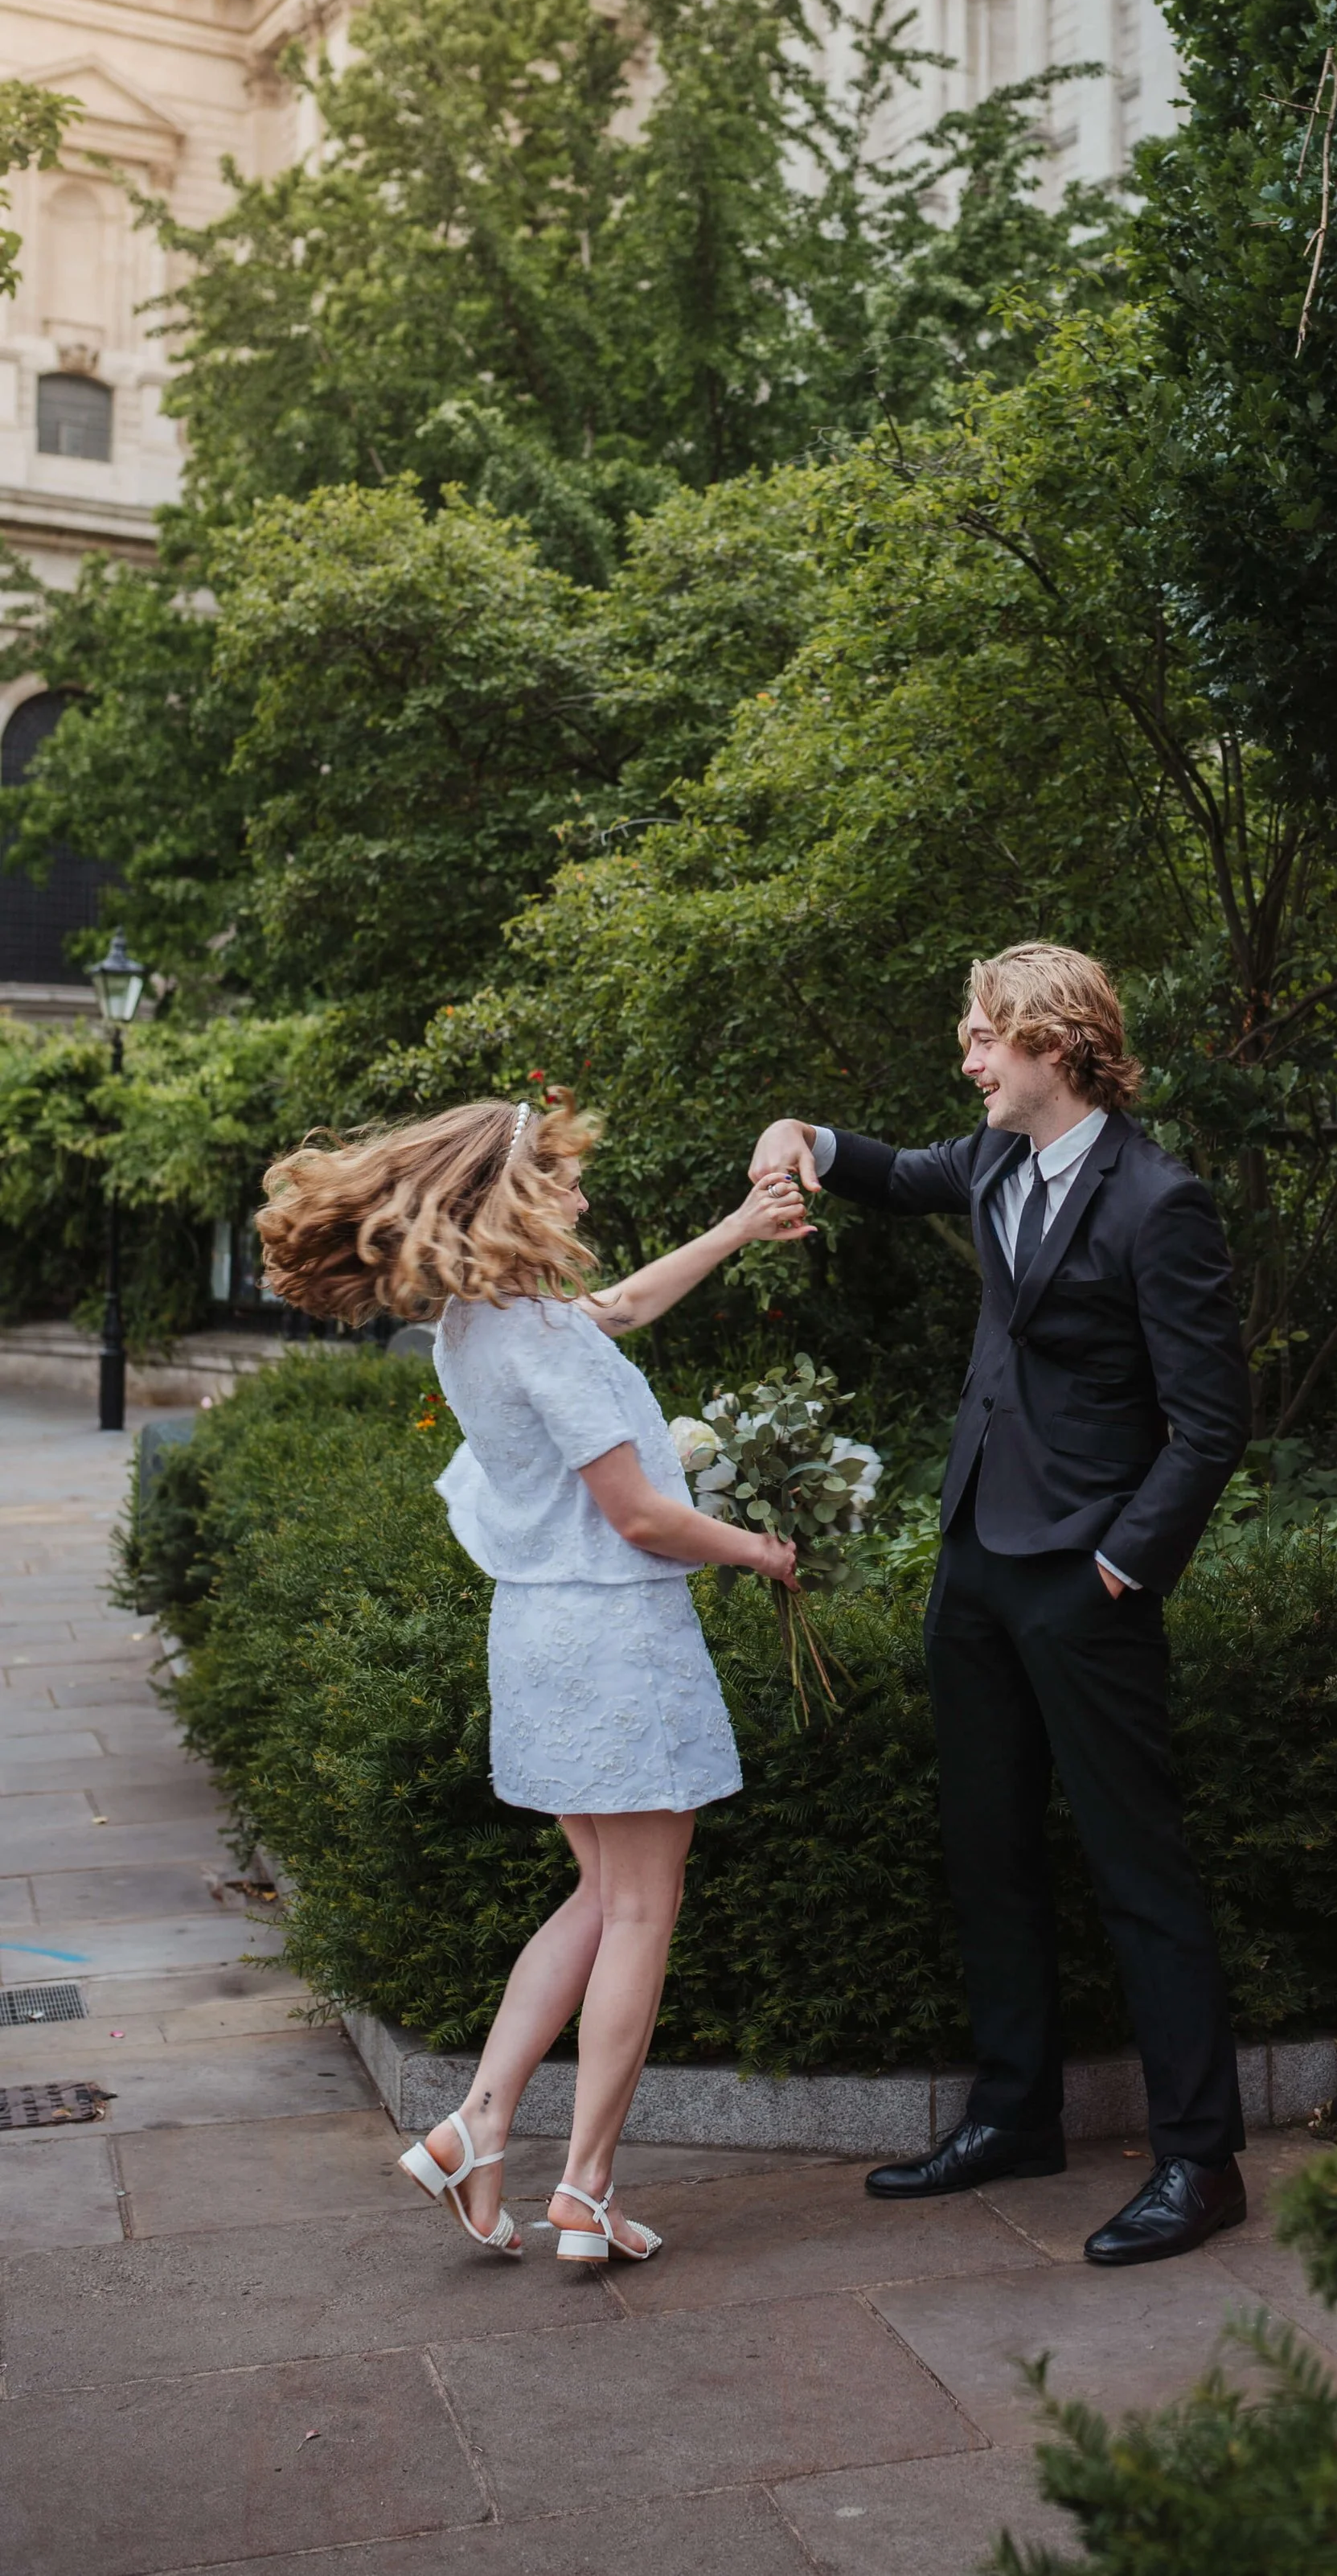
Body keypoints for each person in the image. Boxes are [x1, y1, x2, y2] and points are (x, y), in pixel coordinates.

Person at [748, 942, 1253, 2266]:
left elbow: (1209, 1424)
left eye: (983, 1038)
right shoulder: (987, 1162)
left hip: (1087, 1575)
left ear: (1054, 1045)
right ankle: (1015, 2112)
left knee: (1137, 1869)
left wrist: (1121, 1566)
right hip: (975, 1557)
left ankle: (1202, 2161)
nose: (968, 1061)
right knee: (986, 1845)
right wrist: (795, 1133)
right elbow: (881, 1168)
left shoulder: (1160, 1203)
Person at [254, 1092, 808, 2266]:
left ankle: (479, 2122)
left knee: (598, 1898)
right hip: (618, 1642)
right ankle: (587, 2186)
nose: (582, 1194)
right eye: (562, 1177)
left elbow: (620, 1305)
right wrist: (762, 1549)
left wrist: (736, 1228)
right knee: (642, 1909)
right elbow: (643, 1515)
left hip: (544, 1638)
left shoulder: (481, 1321)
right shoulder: (540, 1337)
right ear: (512, 1194)